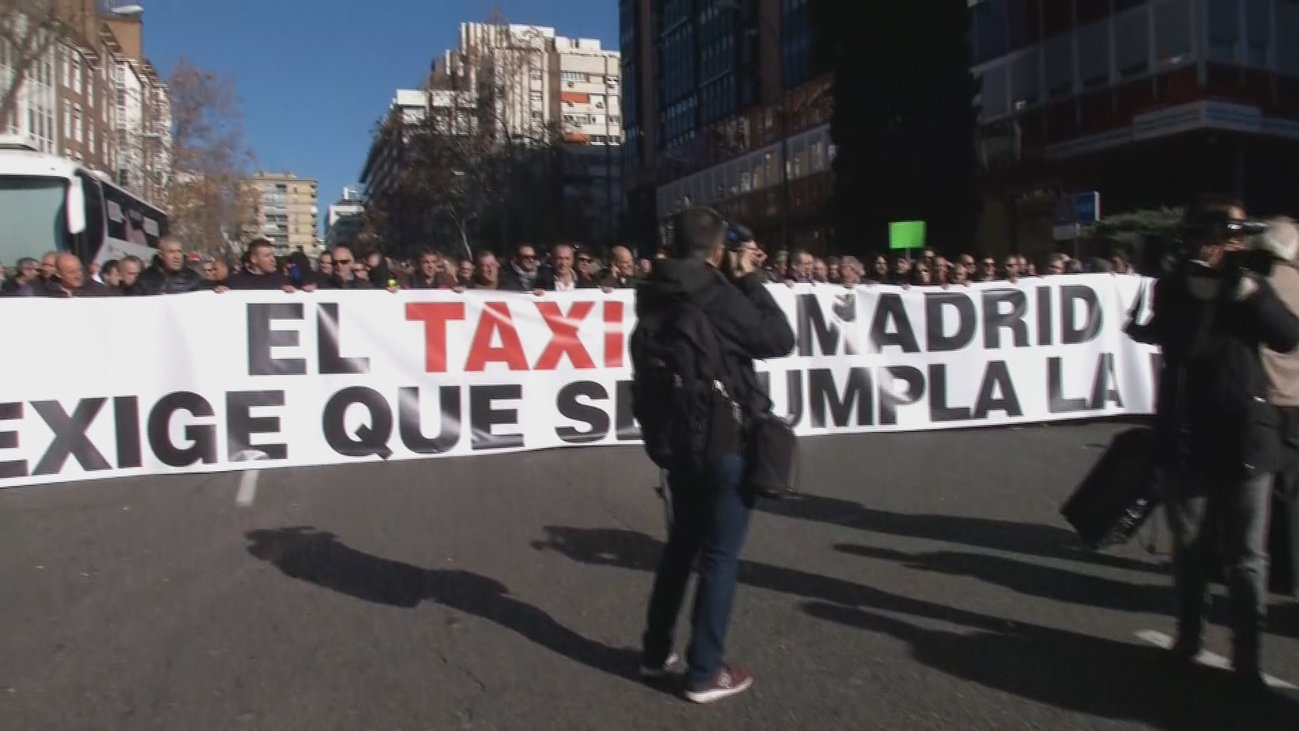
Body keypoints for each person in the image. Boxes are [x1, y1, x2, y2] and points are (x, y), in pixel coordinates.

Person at [1125, 195, 1299, 692]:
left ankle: (1248, 655)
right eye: (1214, 236)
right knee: (1190, 548)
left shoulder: (1254, 286)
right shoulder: (1174, 288)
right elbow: (1176, 344)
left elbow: (1288, 337)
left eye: (1231, 237)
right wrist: (1197, 292)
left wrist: (1249, 295)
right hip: (1188, 437)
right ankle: (1189, 636)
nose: (1222, 246)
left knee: (1247, 557)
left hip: (1246, 437)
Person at [635, 206, 795, 703]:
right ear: (720, 251)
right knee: (720, 555)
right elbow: (777, 339)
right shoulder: (716, 293)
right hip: (725, 440)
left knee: (681, 544)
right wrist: (750, 282)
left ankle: (654, 652)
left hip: (676, 440)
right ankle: (705, 672)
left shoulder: (652, 292)